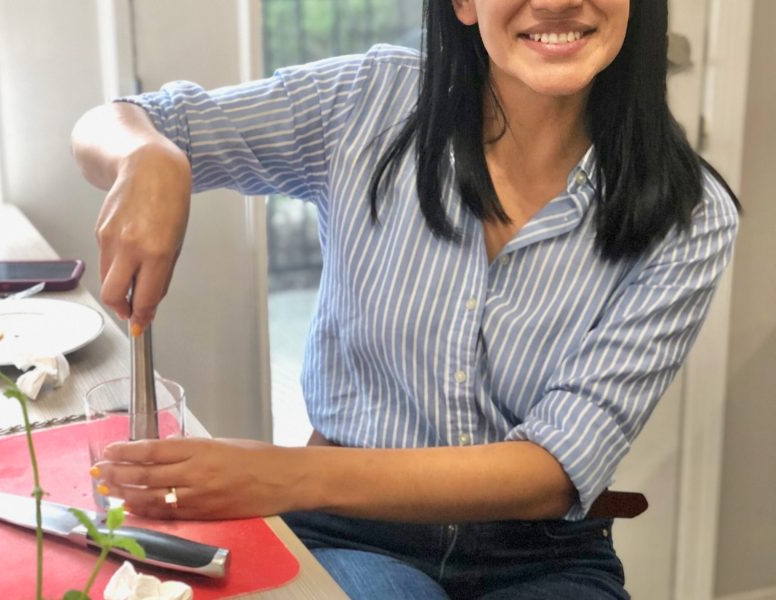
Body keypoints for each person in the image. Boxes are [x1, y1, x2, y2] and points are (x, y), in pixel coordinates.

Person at [71, 0, 740, 597]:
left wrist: (276, 475)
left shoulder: (692, 216)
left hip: (545, 560)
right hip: (354, 538)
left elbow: (554, 472)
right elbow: (116, 122)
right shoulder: (369, 100)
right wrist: (147, 159)